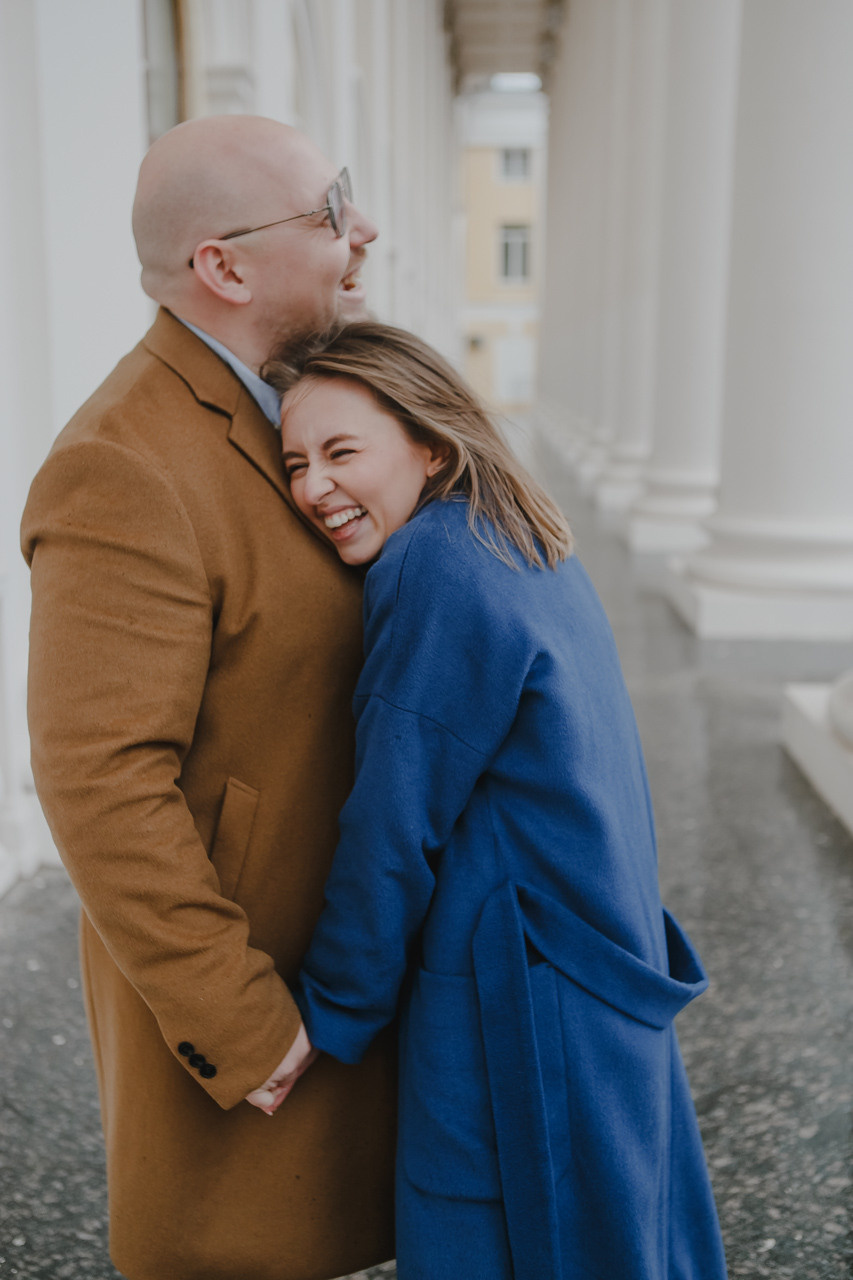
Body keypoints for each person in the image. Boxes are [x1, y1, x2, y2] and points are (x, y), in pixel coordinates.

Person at [271, 322, 729, 1280]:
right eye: (296, 460)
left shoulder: (434, 565)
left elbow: (394, 821)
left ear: (430, 443)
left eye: (342, 451)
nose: (313, 485)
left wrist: (328, 1014)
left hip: (520, 999)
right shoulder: (519, 536)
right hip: (596, 963)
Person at [21, 117, 397, 1280]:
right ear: (225, 267)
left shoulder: (291, 403)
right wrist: (243, 1023)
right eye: (333, 209)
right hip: (255, 1024)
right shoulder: (121, 463)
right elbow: (98, 776)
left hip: (344, 982)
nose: (363, 232)